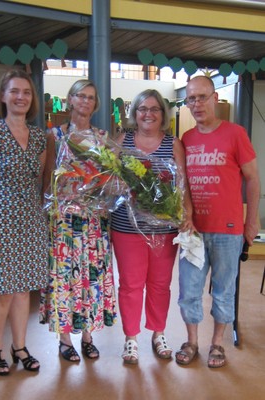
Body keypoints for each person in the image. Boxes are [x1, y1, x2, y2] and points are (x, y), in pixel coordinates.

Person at [176, 75, 260, 368]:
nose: (197, 104)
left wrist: (252, 222)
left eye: (202, 97)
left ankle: (216, 345)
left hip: (228, 229)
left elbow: (252, 179)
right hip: (193, 231)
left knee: (224, 290)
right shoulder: (186, 139)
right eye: (191, 99)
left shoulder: (236, 134)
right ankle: (192, 341)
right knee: (189, 290)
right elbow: (181, 185)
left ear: (215, 99)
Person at [0, 69, 48, 376]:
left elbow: (39, 180)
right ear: (3, 96)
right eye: (14, 91)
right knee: (2, 289)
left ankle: (20, 346)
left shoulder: (39, 136)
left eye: (26, 92)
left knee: (23, 289)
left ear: (32, 99)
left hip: (30, 219)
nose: (20, 97)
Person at [110, 89, 194, 364]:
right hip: (127, 227)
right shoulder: (122, 140)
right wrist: (121, 184)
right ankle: (131, 338)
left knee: (160, 284)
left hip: (164, 228)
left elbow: (183, 187)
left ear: (163, 114)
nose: (148, 114)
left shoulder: (174, 143)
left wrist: (187, 215)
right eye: (142, 108)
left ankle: (158, 333)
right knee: (131, 285)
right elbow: (108, 181)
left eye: (154, 109)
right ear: (135, 114)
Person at [39, 79, 117, 362]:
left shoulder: (102, 137)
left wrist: (105, 191)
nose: (85, 101)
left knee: (90, 279)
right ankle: (64, 338)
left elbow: (109, 179)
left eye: (91, 98)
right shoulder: (54, 136)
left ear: (95, 105)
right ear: (70, 100)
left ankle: (88, 335)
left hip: (94, 219)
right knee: (65, 278)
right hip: (63, 221)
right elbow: (47, 178)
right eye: (80, 96)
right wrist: (47, 207)